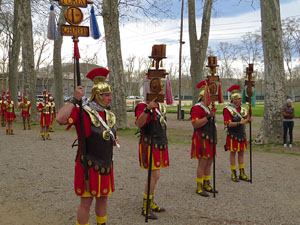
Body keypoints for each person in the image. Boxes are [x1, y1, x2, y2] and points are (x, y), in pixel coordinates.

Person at [56, 67, 119, 225]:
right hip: (88, 164)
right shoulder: (83, 112)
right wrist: (74, 100)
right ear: (97, 95)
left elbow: (105, 135)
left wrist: (113, 139)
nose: (110, 98)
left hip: (105, 163)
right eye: (106, 95)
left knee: (103, 197)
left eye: (109, 95)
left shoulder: (109, 115)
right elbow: (60, 119)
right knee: (86, 202)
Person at [135, 93, 169, 220]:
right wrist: (147, 109)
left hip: (159, 143)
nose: (160, 93)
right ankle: (146, 206)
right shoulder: (142, 106)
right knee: (154, 175)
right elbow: (139, 123)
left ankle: (150, 201)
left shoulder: (160, 107)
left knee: (155, 175)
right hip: (149, 144)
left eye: (161, 91)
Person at [190, 80, 217, 197]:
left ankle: (207, 183)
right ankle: (199, 186)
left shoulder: (209, 108)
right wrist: (208, 116)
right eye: (208, 97)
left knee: (210, 161)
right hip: (201, 137)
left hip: (210, 137)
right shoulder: (197, 109)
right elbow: (195, 124)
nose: (210, 100)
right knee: (203, 161)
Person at [223, 85, 251, 182]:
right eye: (238, 99)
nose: (240, 100)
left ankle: (242, 173)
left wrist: (249, 119)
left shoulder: (243, 109)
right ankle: (233, 173)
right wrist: (239, 123)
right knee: (233, 153)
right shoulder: (227, 110)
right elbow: (228, 123)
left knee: (241, 153)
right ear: (233, 100)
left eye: (240, 98)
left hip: (242, 134)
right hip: (233, 134)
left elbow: (247, 119)